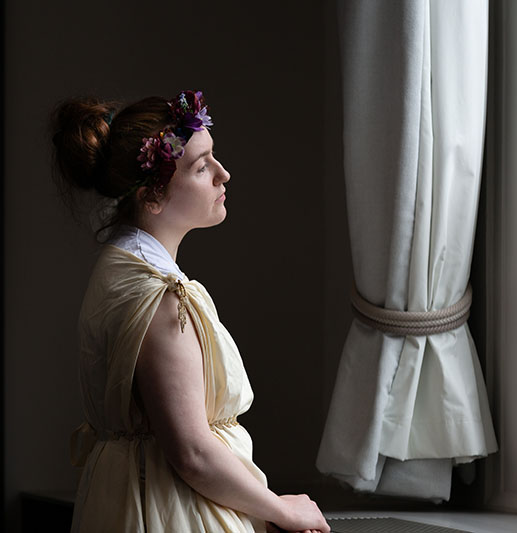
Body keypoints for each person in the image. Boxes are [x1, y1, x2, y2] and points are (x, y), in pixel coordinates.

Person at [50, 90, 330, 533]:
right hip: (173, 511)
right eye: (201, 167)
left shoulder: (119, 269)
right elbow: (192, 453)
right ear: (152, 196)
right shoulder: (158, 296)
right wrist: (281, 509)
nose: (223, 174)